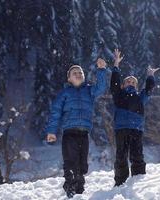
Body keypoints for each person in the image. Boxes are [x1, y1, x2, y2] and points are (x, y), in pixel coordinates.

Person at [44, 59, 107, 198]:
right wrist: (51, 131)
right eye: (74, 73)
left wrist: (101, 70)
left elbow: (101, 88)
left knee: (82, 163)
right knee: (71, 160)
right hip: (69, 132)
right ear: (69, 78)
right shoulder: (65, 93)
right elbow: (56, 112)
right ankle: (70, 187)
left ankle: (79, 188)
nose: (78, 74)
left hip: (84, 133)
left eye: (80, 72)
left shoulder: (89, 90)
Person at [110, 49, 159, 186]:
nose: (131, 83)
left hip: (136, 129)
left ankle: (138, 180)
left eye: (133, 82)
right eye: (128, 81)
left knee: (137, 154)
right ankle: (120, 181)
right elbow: (114, 84)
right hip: (121, 129)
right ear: (123, 85)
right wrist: (116, 65)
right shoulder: (118, 95)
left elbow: (149, 89)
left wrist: (150, 76)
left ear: (136, 86)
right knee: (121, 156)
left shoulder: (140, 97)